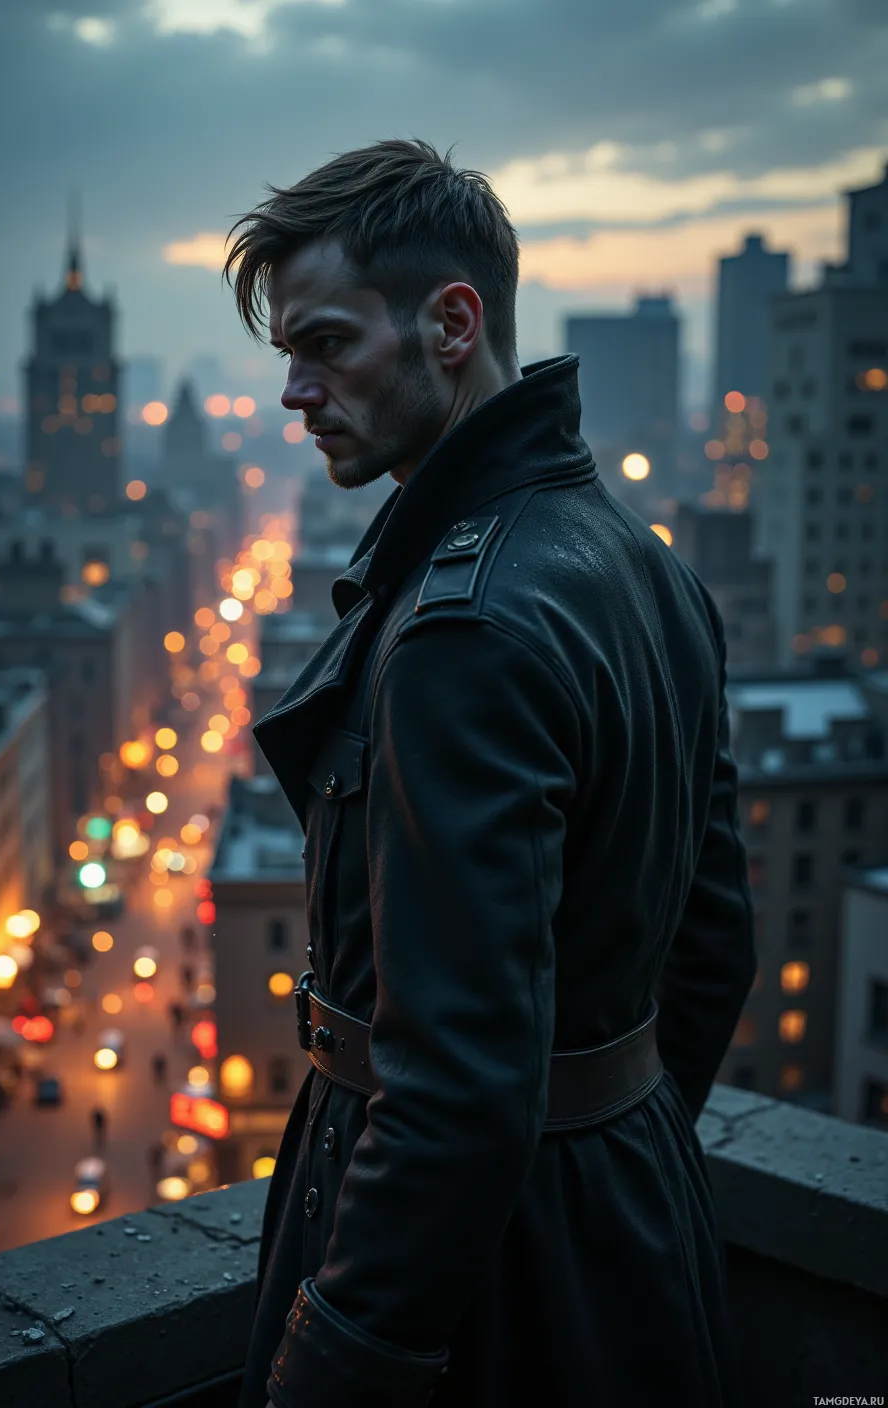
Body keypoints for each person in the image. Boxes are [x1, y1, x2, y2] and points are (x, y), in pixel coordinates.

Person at [225, 140, 756, 1408]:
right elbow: (714, 939)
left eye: (328, 344)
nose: (295, 390)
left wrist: (337, 1364)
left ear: (451, 324)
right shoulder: (640, 559)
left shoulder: (465, 628)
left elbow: (456, 1087)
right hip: (625, 1221)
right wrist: (606, 1142)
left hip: (492, 1291)